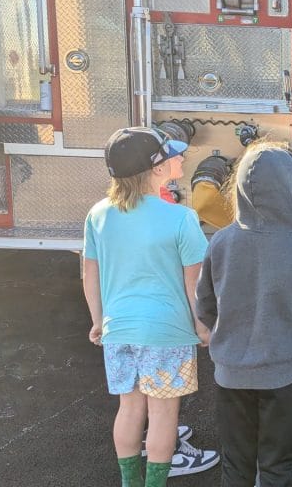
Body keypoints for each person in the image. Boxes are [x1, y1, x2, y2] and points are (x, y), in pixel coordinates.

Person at [195, 144, 292, 487]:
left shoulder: (221, 241)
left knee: (236, 465)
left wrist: (227, 332)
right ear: (290, 187)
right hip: (284, 374)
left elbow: (205, 305)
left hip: (231, 374)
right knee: (278, 468)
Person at [82, 127, 213, 487]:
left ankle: (130, 483)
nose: (180, 157)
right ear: (156, 168)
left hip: (118, 328)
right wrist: (202, 326)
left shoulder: (98, 214)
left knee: (130, 408)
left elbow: (90, 274)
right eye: (172, 153)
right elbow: (195, 285)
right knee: (162, 414)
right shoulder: (181, 218)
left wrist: (98, 321)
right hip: (166, 332)